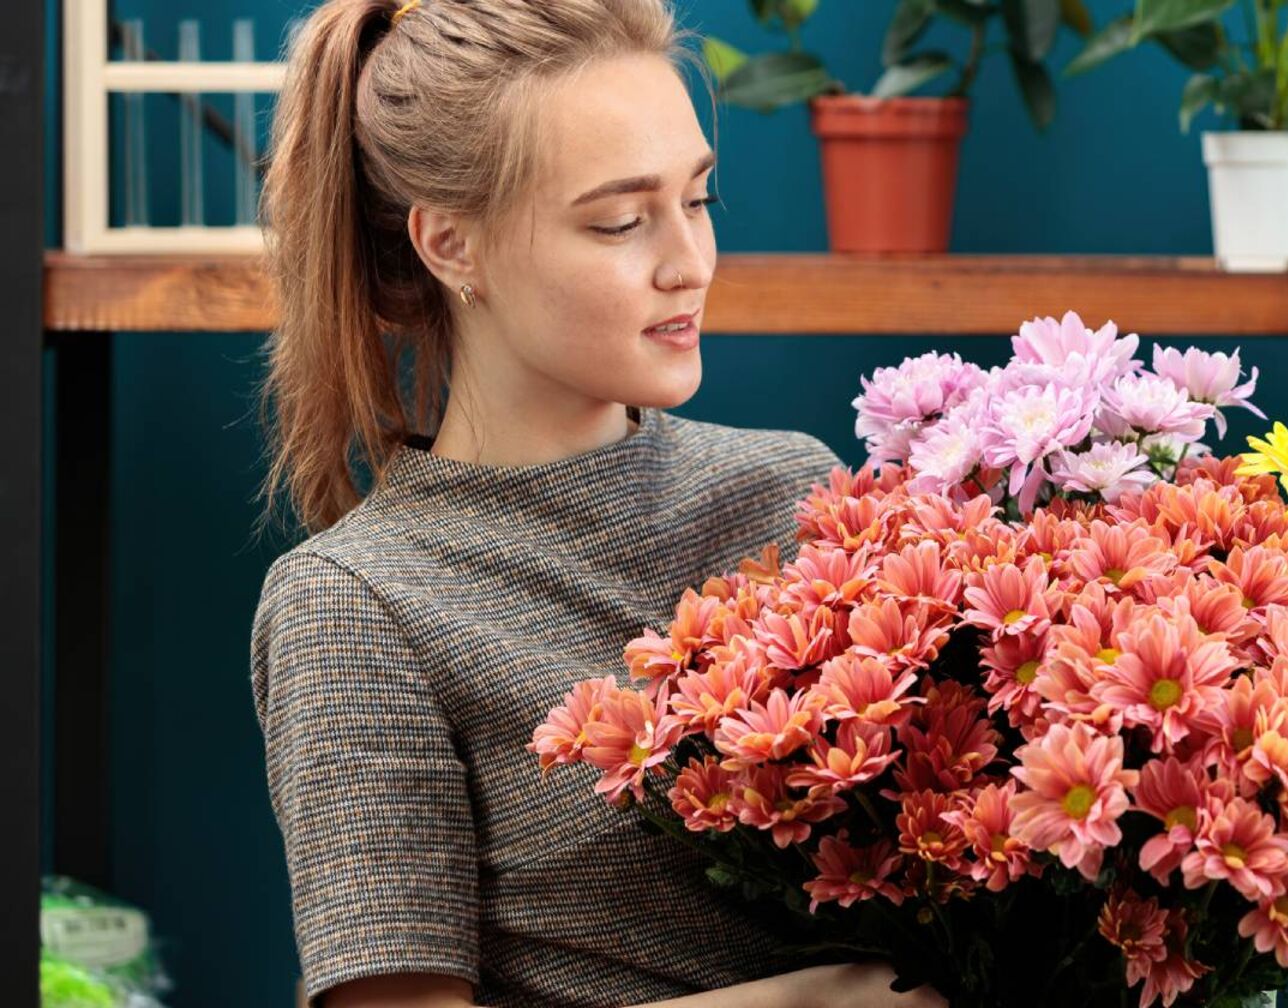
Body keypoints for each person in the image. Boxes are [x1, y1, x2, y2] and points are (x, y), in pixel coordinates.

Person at [246, 1, 947, 1006]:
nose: (688, 263)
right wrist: (826, 999)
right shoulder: (358, 606)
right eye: (620, 220)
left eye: (698, 200)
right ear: (452, 246)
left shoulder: (797, 493)